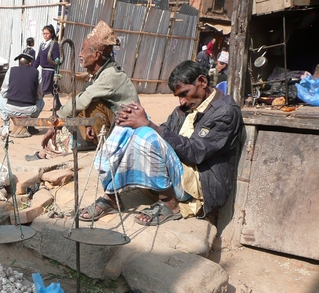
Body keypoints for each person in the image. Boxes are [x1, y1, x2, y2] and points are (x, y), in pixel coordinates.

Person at [79, 60, 243, 225]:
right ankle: (111, 195)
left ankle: (170, 204)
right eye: (178, 96)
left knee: (146, 133)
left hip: (199, 184)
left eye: (184, 93)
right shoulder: (185, 109)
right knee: (127, 125)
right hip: (177, 170)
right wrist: (134, 120)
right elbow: (164, 131)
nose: (182, 101)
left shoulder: (226, 112)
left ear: (202, 81)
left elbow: (196, 153)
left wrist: (148, 125)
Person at [26, 20, 139, 161]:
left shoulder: (110, 76)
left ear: (96, 55)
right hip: (115, 127)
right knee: (79, 100)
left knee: (74, 108)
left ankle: (49, 150)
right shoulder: (103, 74)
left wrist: (56, 121)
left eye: (83, 50)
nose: (80, 54)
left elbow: (82, 100)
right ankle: (82, 142)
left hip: (124, 134)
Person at [0, 52, 44, 137]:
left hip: (11, 109)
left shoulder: (11, 70)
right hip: (30, 110)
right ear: (30, 63)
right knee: (41, 101)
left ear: (19, 63)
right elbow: (39, 94)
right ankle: (31, 126)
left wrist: (13, 96)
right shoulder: (36, 72)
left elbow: (4, 92)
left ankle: (6, 125)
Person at [33, 25, 61, 110]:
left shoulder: (54, 44)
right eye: (44, 33)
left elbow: (57, 60)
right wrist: (32, 69)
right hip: (43, 70)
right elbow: (38, 58)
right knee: (53, 90)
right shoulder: (42, 44)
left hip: (50, 71)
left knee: (42, 89)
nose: (45, 35)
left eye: (47, 33)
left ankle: (37, 105)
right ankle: (58, 104)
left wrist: (56, 74)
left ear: (51, 34)